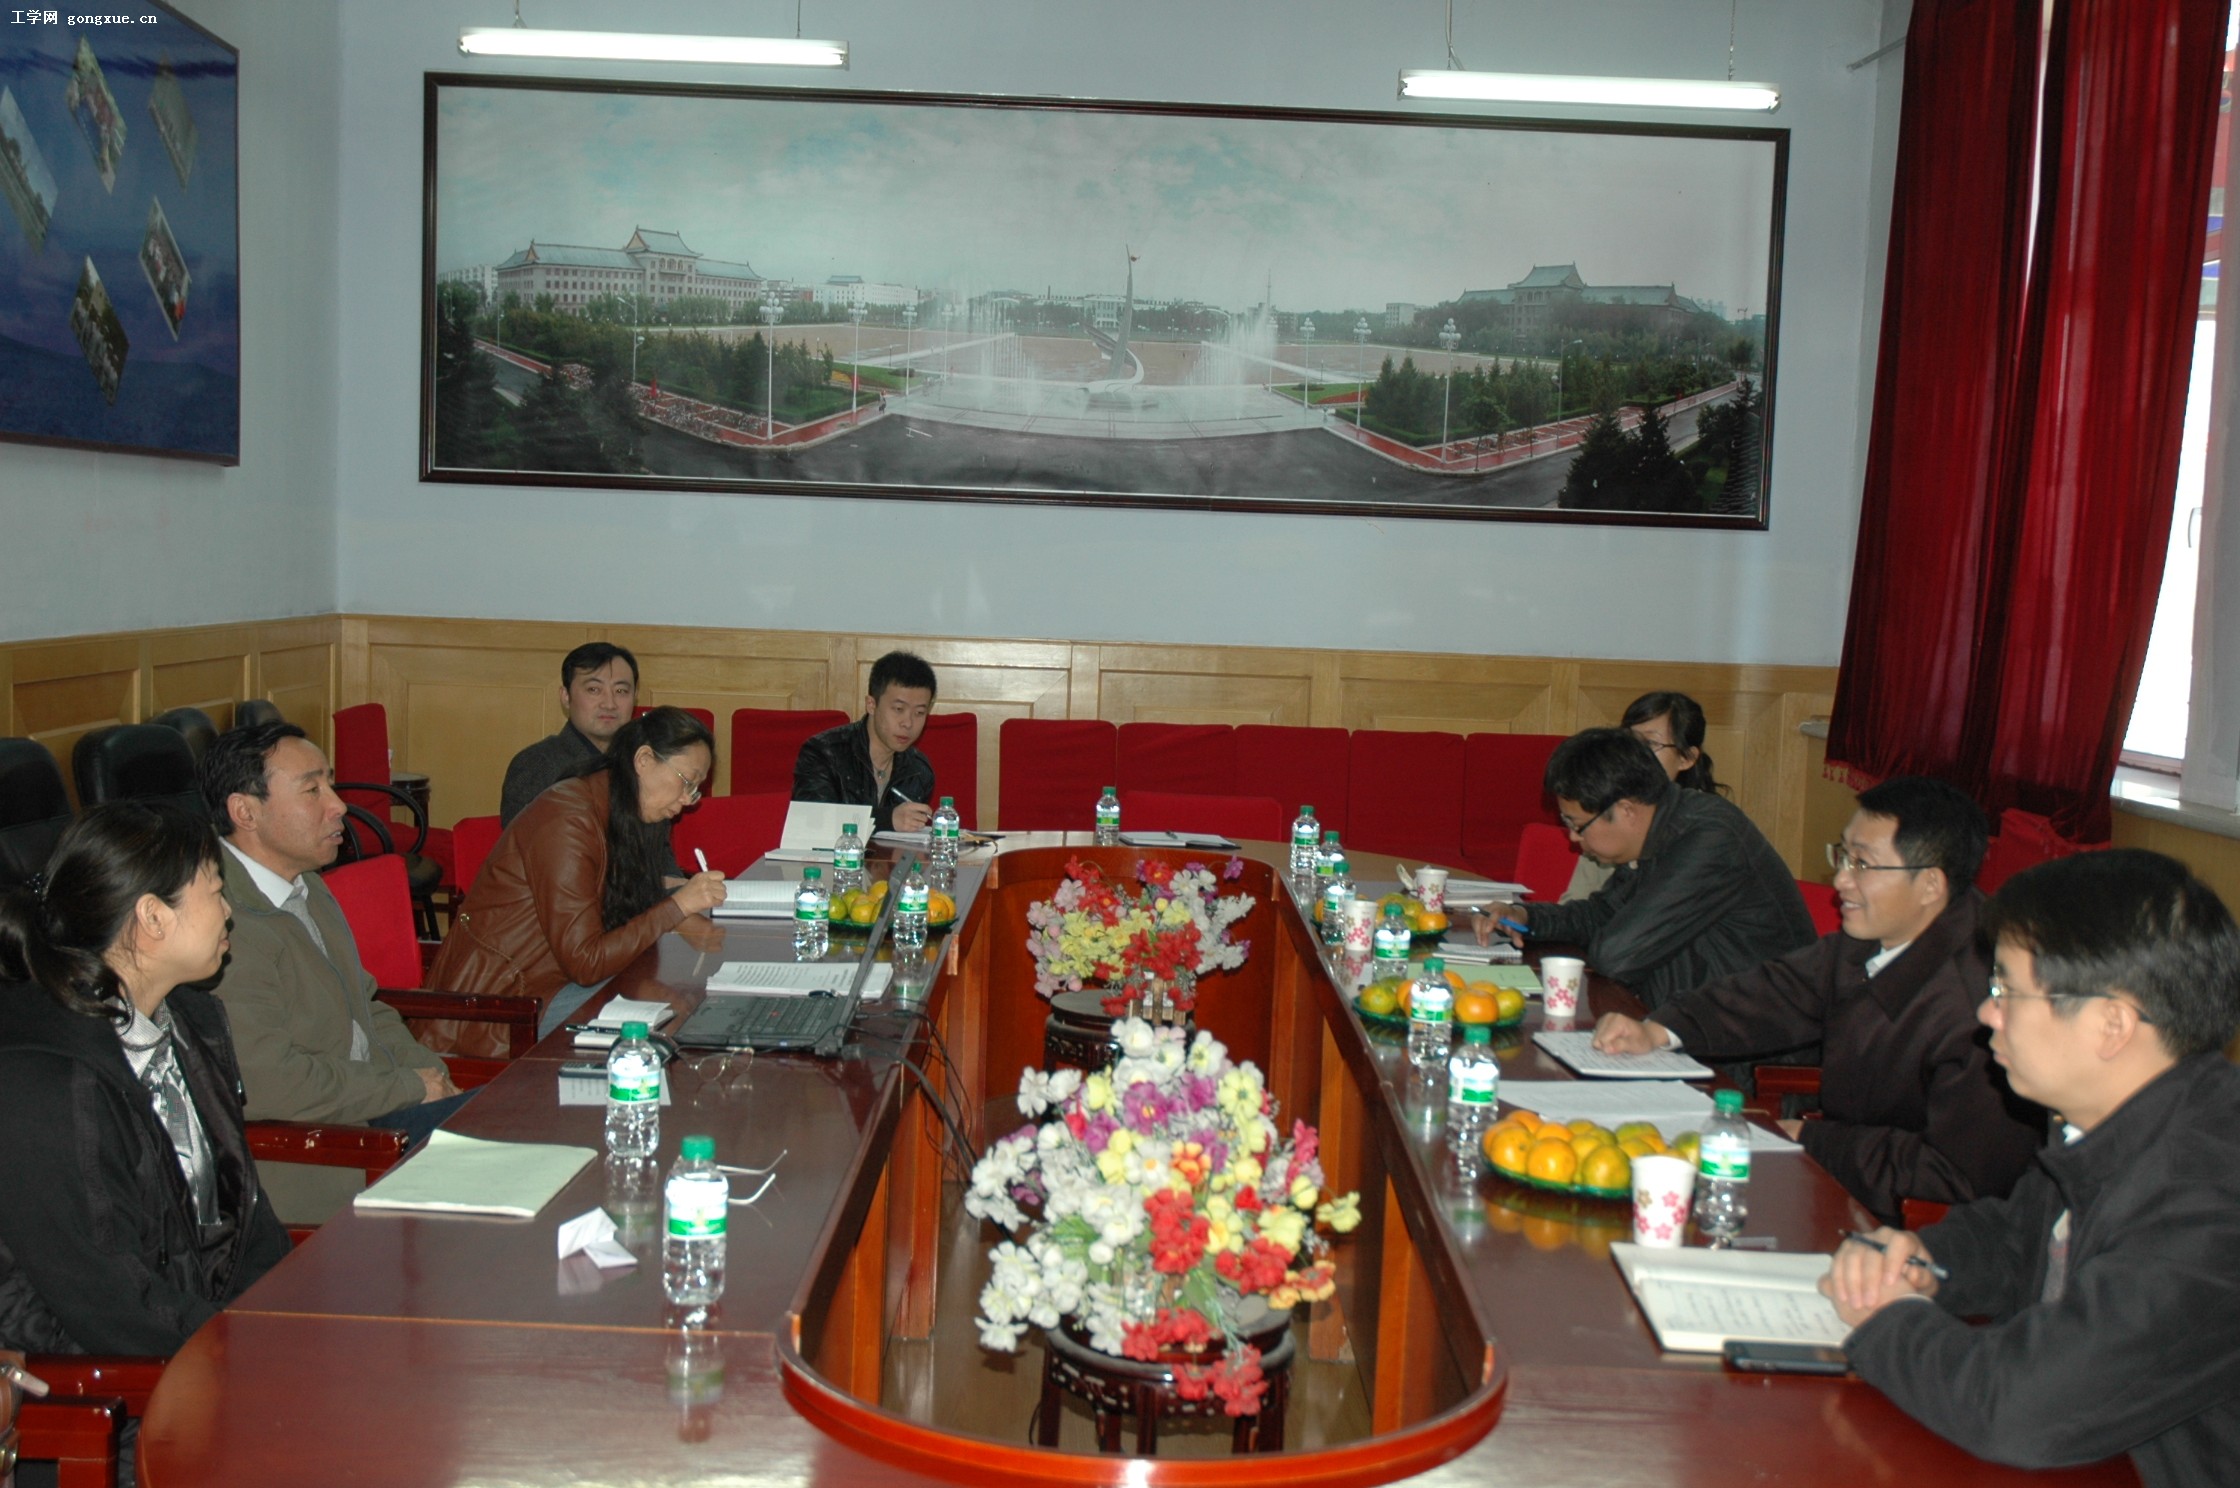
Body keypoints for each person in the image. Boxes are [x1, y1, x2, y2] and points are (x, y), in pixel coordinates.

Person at [1824, 849, 2240, 1487]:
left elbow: (2019, 1409)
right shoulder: (2110, 1118)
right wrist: (1919, 1260)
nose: (1985, 1013)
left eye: (2006, 991)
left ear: (2111, 1025)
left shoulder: (2209, 1199)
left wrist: (1885, 1317)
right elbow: (2015, 1237)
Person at [1590, 776, 2044, 1224]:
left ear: (1930, 885)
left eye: (1862, 864)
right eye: (1843, 856)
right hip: (1849, 1182)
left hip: (1916, 1228)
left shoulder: (1984, 1008)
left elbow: (1955, 1175)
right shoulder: (1878, 936)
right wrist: (1661, 1029)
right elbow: (1777, 991)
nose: (1841, 880)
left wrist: (1813, 1139)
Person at [0, 801, 289, 1356]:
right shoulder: (48, 1081)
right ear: (154, 917)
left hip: (195, 1336)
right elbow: (112, 1307)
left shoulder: (188, 1023)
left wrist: (296, 1314)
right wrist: (255, 1346)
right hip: (104, 1382)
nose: (228, 911)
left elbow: (245, 1224)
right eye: (215, 891)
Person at [201, 721, 466, 1222]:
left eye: (331, 785)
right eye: (312, 790)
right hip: (327, 1151)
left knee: (526, 1124)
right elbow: (270, 1083)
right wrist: (410, 1088)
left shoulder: (306, 884)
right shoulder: (223, 920)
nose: (338, 805)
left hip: (378, 1111)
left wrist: (431, 1076)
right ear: (245, 812)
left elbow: (367, 1005)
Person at [429, 708, 728, 1030]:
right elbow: (586, 964)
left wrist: (673, 900)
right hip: (506, 1002)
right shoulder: (568, 820)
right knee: (675, 1011)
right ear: (643, 760)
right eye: (686, 782)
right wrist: (678, 906)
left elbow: (623, 910)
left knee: (687, 996)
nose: (688, 800)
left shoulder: (626, 811)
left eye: (695, 789)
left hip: (555, 979)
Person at [1477, 728, 1816, 1010]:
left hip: (1751, 1042)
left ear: (1626, 810)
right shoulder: (1664, 825)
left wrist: (1602, 931)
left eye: (1578, 825)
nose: (1574, 838)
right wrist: (1526, 917)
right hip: (1693, 1020)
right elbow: (1602, 913)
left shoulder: (1710, 838)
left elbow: (1618, 956)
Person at [1564, 691, 1723, 901]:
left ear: (1687, 758)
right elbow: (1578, 903)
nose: (1634, 753)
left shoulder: (1705, 828)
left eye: (1650, 744)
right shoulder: (1606, 811)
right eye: (1629, 740)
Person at [792, 650, 938, 833]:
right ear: (871, 705)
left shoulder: (918, 771)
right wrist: (886, 819)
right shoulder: (823, 753)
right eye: (898, 709)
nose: (908, 723)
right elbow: (810, 825)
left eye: (919, 713)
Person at [499, 641, 640, 826]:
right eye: (594, 690)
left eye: (621, 691)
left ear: (634, 698)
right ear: (566, 696)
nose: (609, 704)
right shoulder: (537, 765)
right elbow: (525, 841)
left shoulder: (641, 764)